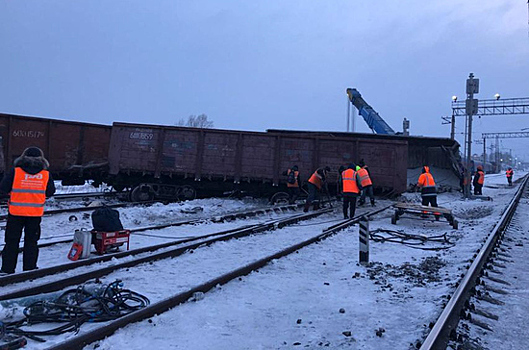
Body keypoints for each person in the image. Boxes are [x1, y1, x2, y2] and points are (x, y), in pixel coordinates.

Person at [0, 147, 55, 274]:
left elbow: (3, 188)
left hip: (16, 213)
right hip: (35, 214)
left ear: (23, 157)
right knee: (31, 241)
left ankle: (7, 269)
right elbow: (50, 192)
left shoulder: (15, 172)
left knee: (11, 242)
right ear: (42, 159)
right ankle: (29, 268)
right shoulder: (46, 174)